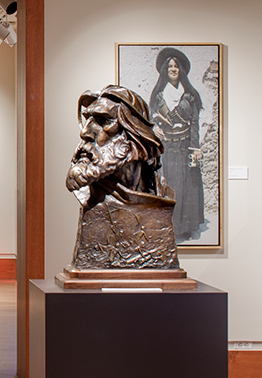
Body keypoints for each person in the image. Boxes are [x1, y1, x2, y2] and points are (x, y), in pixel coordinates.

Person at [64, 85, 180, 272]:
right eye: (88, 121)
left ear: (134, 138)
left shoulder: (160, 203)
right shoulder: (93, 198)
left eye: (103, 121)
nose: (85, 133)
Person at [146, 47, 207, 243]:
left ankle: (187, 227)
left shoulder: (190, 95)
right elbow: (150, 119)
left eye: (176, 66)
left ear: (181, 70)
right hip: (166, 148)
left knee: (187, 187)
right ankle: (169, 225)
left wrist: (195, 148)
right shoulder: (158, 96)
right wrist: (154, 128)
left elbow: (195, 124)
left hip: (185, 148)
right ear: (165, 70)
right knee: (169, 185)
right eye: (169, 66)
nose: (173, 69)